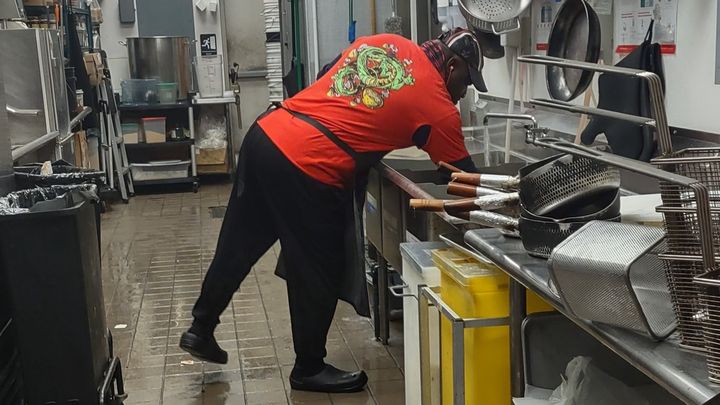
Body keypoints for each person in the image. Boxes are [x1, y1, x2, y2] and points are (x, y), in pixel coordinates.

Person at [180, 28, 487, 393]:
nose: (464, 93)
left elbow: (328, 73)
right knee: (318, 266)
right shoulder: (438, 107)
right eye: (466, 82)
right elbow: (463, 179)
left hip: (268, 133)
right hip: (310, 163)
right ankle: (308, 367)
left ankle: (201, 327)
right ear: (451, 67)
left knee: (238, 245)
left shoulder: (387, 43)